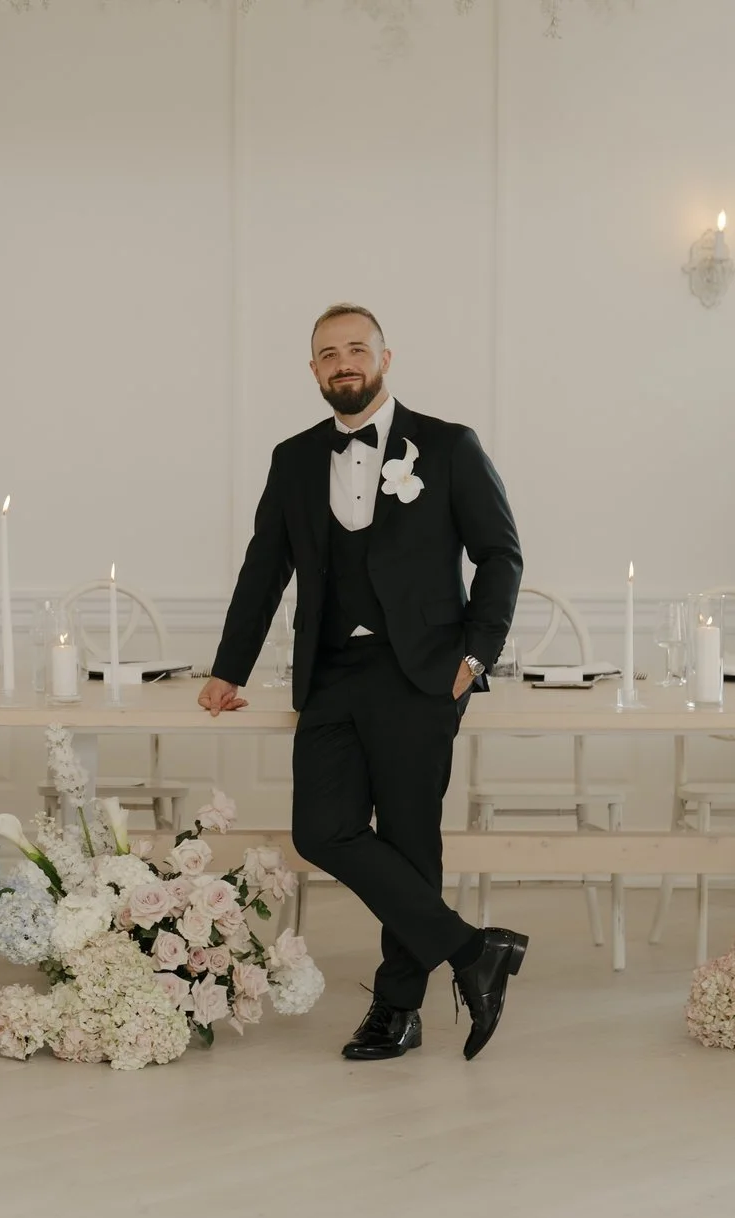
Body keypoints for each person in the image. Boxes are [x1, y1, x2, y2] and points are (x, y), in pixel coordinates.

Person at [198, 304, 527, 1062]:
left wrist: (475, 659)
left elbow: (501, 556)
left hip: (421, 674)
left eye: (356, 349)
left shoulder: (449, 446)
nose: (342, 362)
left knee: (411, 843)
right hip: (331, 671)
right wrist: (228, 669)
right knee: (321, 828)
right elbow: (264, 571)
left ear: (385, 357)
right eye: (327, 354)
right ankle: (473, 949)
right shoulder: (292, 458)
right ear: (312, 371)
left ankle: (397, 1010)